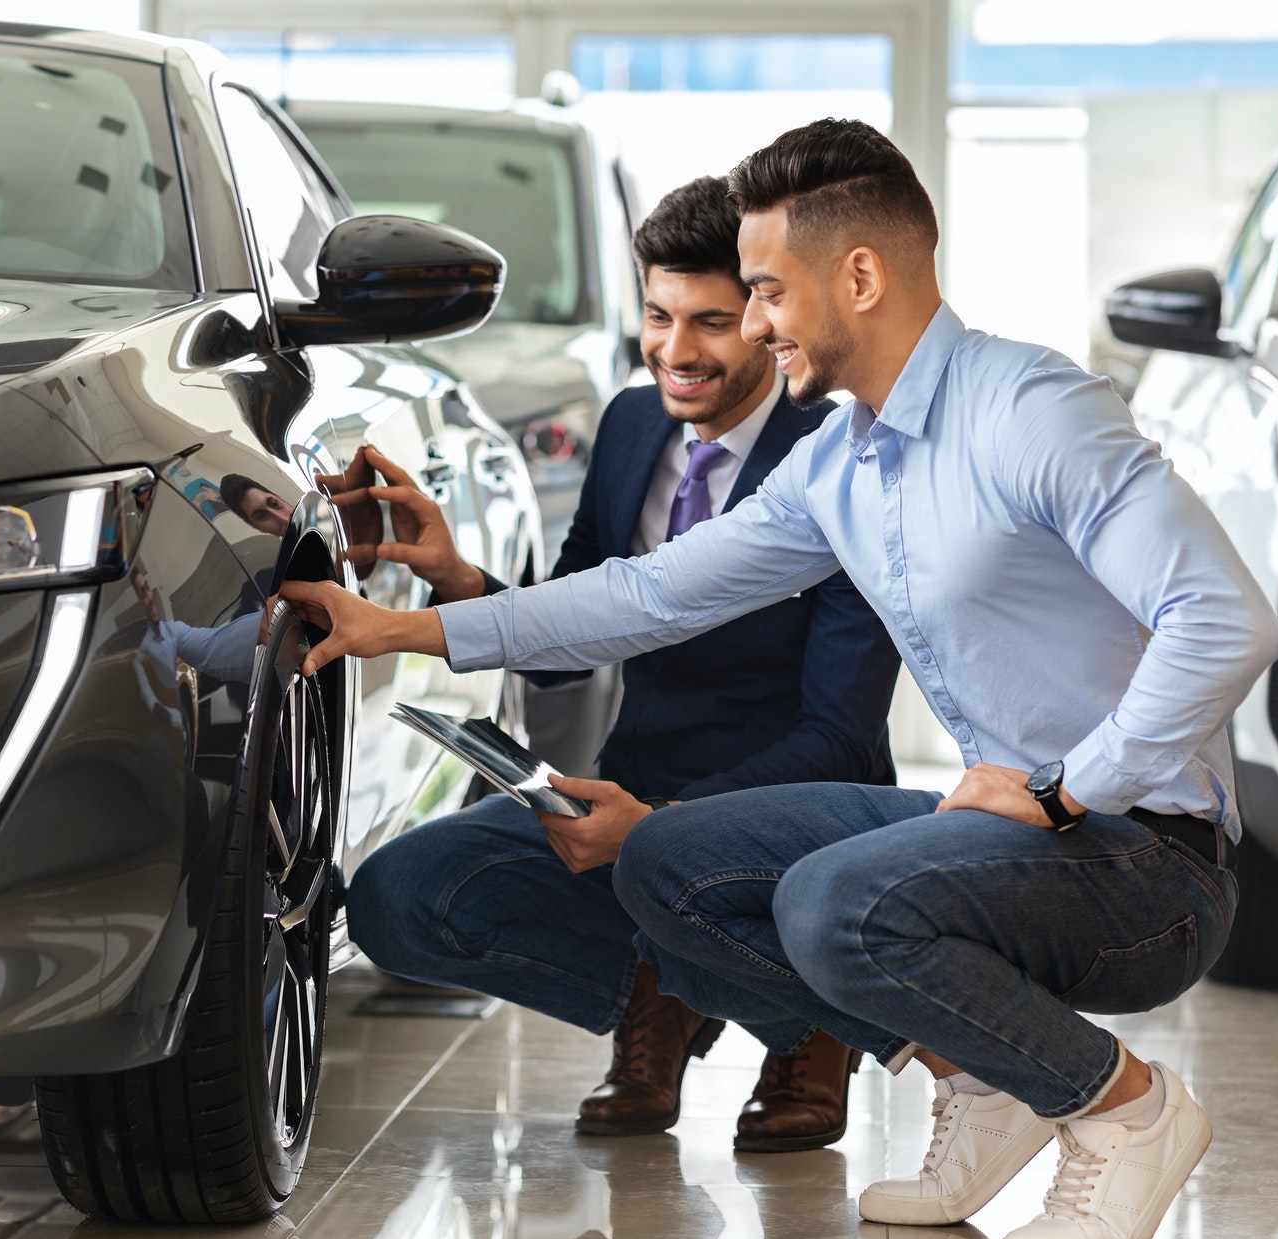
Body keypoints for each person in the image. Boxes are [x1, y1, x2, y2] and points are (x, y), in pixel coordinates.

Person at [281, 118, 1278, 1239]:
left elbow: (1224, 619)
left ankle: (1123, 1108)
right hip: (1005, 824)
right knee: (667, 865)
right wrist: (405, 625)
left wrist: (1068, 791)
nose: (750, 323)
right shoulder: (842, 459)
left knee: (829, 905)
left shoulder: (1031, 410)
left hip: (1143, 859)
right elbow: (648, 596)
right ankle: (984, 1078)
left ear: (857, 276)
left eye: (760, 291)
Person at [333, 175, 901, 1152]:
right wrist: (456, 576)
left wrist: (663, 830)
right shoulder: (633, 425)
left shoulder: (844, 461)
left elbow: (838, 736)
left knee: (691, 860)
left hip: (794, 820)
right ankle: (665, 988)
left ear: (770, 316)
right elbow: (564, 653)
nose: (675, 352)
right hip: (632, 784)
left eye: (711, 323)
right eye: (656, 315)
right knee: (398, 896)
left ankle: (806, 1019)